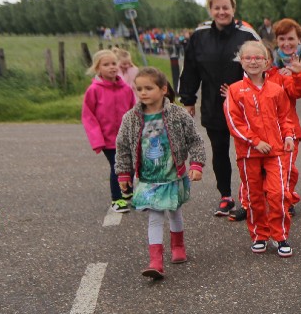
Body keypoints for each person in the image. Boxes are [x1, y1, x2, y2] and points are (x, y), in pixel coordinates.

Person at [114, 67, 208, 279]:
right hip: (148, 179)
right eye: (139, 89)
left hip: (173, 175)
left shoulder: (178, 114)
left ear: (163, 89)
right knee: (155, 217)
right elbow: (123, 147)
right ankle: (155, 262)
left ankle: (178, 246)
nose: (143, 93)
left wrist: (196, 164)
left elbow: (195, 140)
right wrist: (124, 174)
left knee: (174, 212)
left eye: (148, 88)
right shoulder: (131, 118)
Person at [177, 0, 260, 219]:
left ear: (233, 9)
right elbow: (190, 69)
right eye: (217, 8)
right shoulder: (199, 36)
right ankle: (226, 196)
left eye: (226, 7)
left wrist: (248, 93)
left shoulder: (247, 34)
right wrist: (188, 99)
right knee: (220, 151)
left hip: (245, 105)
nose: (222, 12)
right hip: (213, 104)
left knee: (251, 151)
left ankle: (254, 195)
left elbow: (263, 66)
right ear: (210, 10)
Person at [224, 41, 299, 256]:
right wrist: (255, 141)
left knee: (278, 193)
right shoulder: (235, 90)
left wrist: (288, 136)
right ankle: (260, 235)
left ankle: (280, 236)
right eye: (248, 58)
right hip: (249, 153)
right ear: (241, 61)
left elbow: (285, 116)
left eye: (258, 58)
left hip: (275, 152)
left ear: (267, 62)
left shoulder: (276, 89)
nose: (253, 61)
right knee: (254, 197)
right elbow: (234, 122)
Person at [82, 49, 137, 212]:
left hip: (127, 138)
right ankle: (117, 199)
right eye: (106, 64)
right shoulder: (94, 90)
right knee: (117, 167)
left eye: (114, 63)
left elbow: (134, 111)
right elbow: (88, 117)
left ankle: (127, 191)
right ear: (97, 68)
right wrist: (97, 140)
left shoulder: (126, 89)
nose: (112, 67)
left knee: (131, 166)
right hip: (108, 140)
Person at [268, 19, 301, 213]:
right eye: (281, 39)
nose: (286, 43)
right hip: (266, 131)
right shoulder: (266, 71)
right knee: (268, 168)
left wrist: (298, 73)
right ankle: (266, 200)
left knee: (287, 168)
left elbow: (299, 91)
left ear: (299, 40)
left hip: (289, 130)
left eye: (290, 39)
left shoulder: (286, 73)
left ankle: (286, 200)